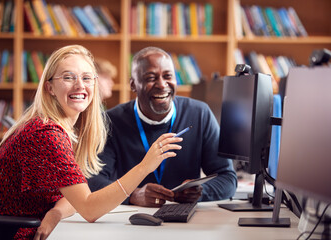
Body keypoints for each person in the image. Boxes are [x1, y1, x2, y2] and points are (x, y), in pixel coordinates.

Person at [0, 45, 183, 239]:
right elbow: (89, 209)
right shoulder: (45, 134)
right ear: (49, 87)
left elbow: (76, 195)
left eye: (86, 77)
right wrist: (145, 167)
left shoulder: (63, 129)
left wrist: (56, 212)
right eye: (68, 77)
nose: (80, 85)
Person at [88, 46, 237, 207]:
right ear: (133, 85)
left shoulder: (200, 114)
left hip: (184, 219)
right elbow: (93, 181)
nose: (162, 84)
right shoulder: (110, 121)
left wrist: (200, 191)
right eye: (151, 78)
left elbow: (227, 178)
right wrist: (133, 195)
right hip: (130, 219)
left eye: (168, 76)